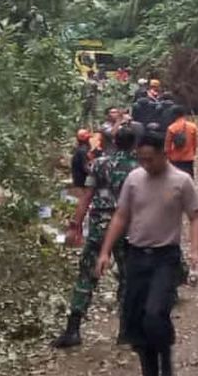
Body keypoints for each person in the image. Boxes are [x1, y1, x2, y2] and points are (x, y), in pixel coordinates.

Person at [97, 130, 198, 376]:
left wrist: (195, 253)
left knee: (155, 315)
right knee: (135, 320)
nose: (146, 164)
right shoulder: (134, 179)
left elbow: (195, 218)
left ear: (163, 153)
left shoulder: (181, 181)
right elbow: (121, 216)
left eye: (150, 159)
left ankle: (167, 370)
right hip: (136, 257)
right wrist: (105, 251)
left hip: (164, 258)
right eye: (141, 159)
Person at [52, 126, 140, 348]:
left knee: (86, 275)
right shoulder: (139, 168)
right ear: (135, 144)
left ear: (114, 142)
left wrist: (76, 225)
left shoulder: (99, 164)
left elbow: (86, 196)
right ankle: (126, 332)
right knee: (128, 277)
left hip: (100, 225)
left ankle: (73, 330)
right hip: (127, 228)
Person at [166, 106, 198, 178]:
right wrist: (193, 154)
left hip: (175, 158)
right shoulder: (193, 127)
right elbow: (195, 143)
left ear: (174, 115)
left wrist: (168, 157)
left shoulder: (171, 128)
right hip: (188, 158)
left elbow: (167, 146)